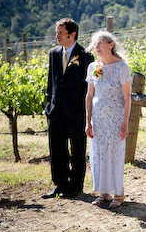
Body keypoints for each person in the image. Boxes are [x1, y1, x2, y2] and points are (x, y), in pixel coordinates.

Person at [43, 18, 94, 199]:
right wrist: (48, 106)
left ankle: (75, 187)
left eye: (60, 33)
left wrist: (86, 113)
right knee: (56, 149)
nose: (57, 36)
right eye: (56, 32)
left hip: (76, 112)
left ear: (72, 35)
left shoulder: (86, 56)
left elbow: (88, 87)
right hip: (56, 111)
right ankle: (60, 184)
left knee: (77, 150)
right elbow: (51, 82)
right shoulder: (54, 53)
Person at [85, 32, 132, 208]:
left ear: (111, 45)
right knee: (98, 154)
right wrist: (88, 121)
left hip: (115, 118)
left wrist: (124, 123)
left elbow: (128, 98)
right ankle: (103, 193)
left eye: (100, 43)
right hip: (97, 119)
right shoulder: (92, 67)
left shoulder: (121, 67)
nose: (96, 47)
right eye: (95, 44)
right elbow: (89, 95)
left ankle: (118, 193)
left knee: (114, 154)